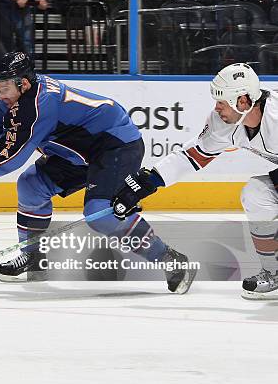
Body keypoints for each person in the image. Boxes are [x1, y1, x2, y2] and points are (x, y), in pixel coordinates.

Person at [0, 51, 197, 293]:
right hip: (78, 152)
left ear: (23, 83)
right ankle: (33, 256)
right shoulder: (18, 95)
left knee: (100, 214)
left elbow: (11, 156)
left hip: (115, 146)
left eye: (5, 87)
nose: (0, 93)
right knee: (31, 186)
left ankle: (169, 259)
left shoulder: (39, 104)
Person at [112, 63, 278, 300]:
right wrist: (147, 182)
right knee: (256, 194)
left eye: (222, 101)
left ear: (243, 101)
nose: (217, 107)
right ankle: (273, 272)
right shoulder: (223, 123)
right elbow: (192, 156)